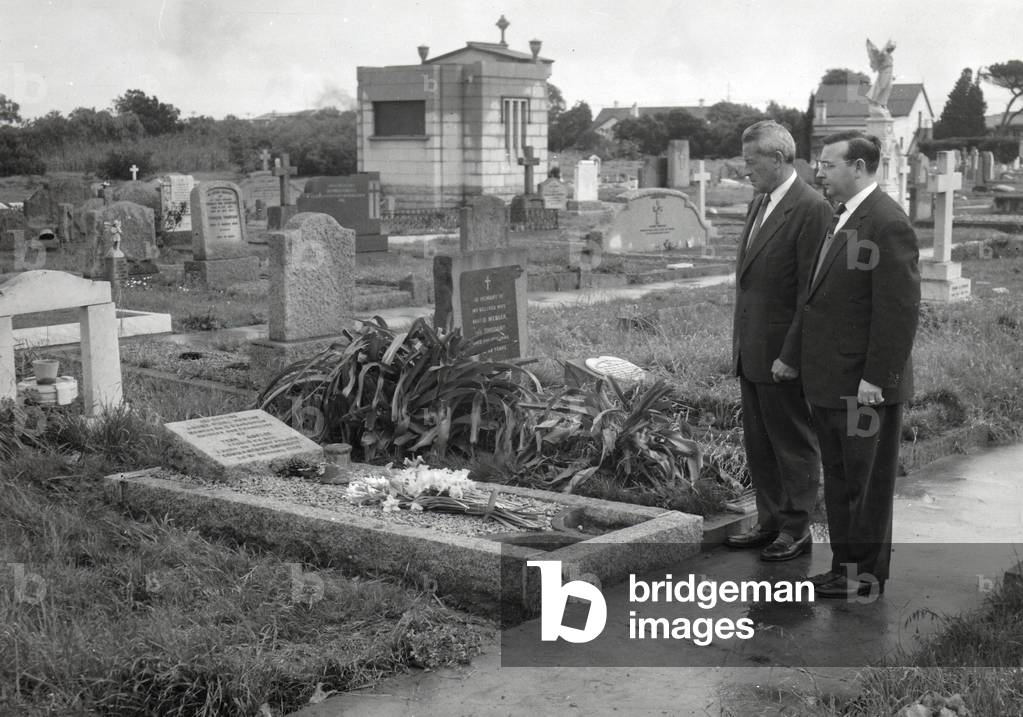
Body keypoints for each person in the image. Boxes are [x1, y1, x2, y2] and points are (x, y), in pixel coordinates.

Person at [803, 131, 920, 598]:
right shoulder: (845, 216)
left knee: (866, 484)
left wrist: (877, 377)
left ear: (858, 167)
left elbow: (898, 309)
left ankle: (864, 577)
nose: (820, 173)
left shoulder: (886, 222)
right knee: (841, 477)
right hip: (834, 380)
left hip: (864, 386)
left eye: (829, 165)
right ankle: (843, 570)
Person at [725, 120, 831, 561]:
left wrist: (791, 354)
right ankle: (770, 521)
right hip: (753, 349)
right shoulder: (762, 200)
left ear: (778, 158)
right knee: (760, 441)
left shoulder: (810, 208)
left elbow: (812, 291)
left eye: (751, 162)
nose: (745, 170)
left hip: (782, 355)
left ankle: (796, 527)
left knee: (791, 441)